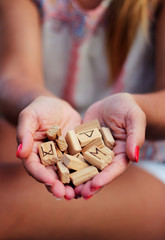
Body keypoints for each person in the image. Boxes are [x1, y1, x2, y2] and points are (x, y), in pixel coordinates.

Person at [0, 0, 165, 239]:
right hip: (59, 131)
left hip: (152, 162)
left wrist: (136, 109)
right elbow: (13, 75)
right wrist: (37, 101)